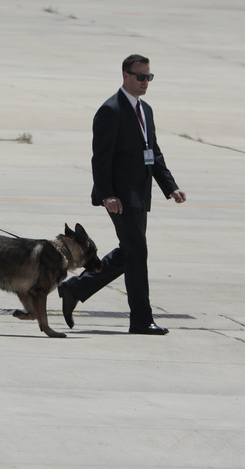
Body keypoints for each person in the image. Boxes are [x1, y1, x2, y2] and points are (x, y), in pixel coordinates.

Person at [58, 54, 187, 335]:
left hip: (141, 194)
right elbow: (100, 159)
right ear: (125, 76)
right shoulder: (111, 110)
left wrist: (170, 186)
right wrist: (107, 195)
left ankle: (74, 288)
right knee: (138, 254)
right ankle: (141, 320)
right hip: (120, 198)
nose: (145, 82)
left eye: (149, 77)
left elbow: (154, 153)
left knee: (130, 252)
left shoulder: (146, 110)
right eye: (140, 77)